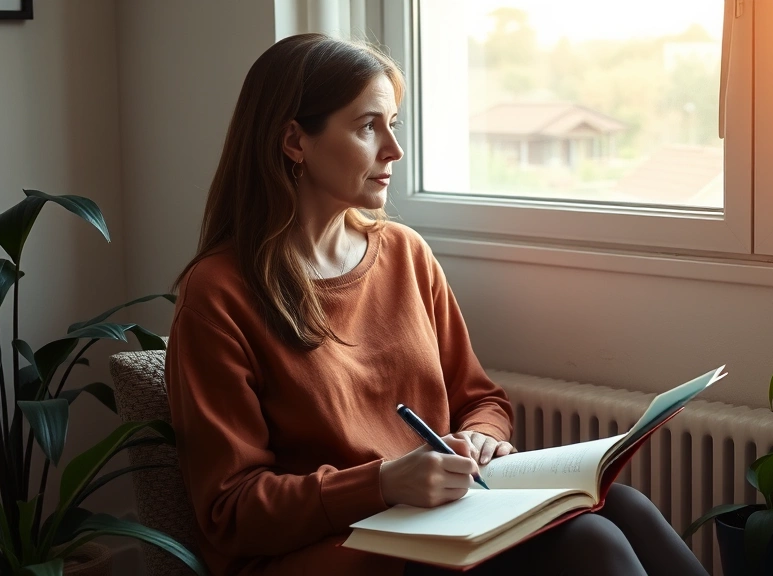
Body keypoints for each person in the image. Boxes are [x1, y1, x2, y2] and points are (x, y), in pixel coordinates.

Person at [165, 33, 709, 576]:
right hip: (331, 550)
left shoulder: (404, 254)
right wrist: (380, 482)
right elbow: (230, 512)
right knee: (587, 542)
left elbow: (481, 398)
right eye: (366, 126)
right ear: (294, 141)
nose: (393, 150)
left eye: (392, 125)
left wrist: (482, 438)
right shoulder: (218, 295)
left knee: (625, 507)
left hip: (436, 517)